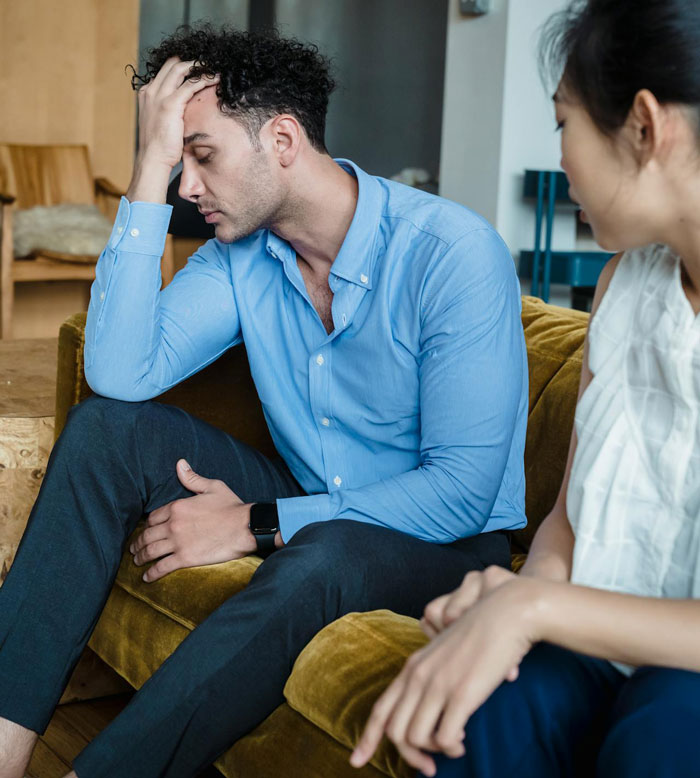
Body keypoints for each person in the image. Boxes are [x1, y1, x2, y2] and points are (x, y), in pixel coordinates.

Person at [0, 24, 528, 778]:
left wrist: (255, 525)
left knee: (323, 556)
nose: (187, 186)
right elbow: (120, 372)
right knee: (106, 432)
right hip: (311, 497)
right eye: (178, 163)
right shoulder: (239, 255)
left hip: (439, 540)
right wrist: (149, 167)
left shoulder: (451, 254)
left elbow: (462, 495)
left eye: (202, 156)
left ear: (281, 139)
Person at [350, 1, 700, 776]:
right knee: (487, 714)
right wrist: (515, 595)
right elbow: (567, 521)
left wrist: (532, 606)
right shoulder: (623, 286)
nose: (563, 157)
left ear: (644, 126)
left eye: (562, 123)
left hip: (681, 669)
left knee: (667, 728)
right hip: (596, 637)